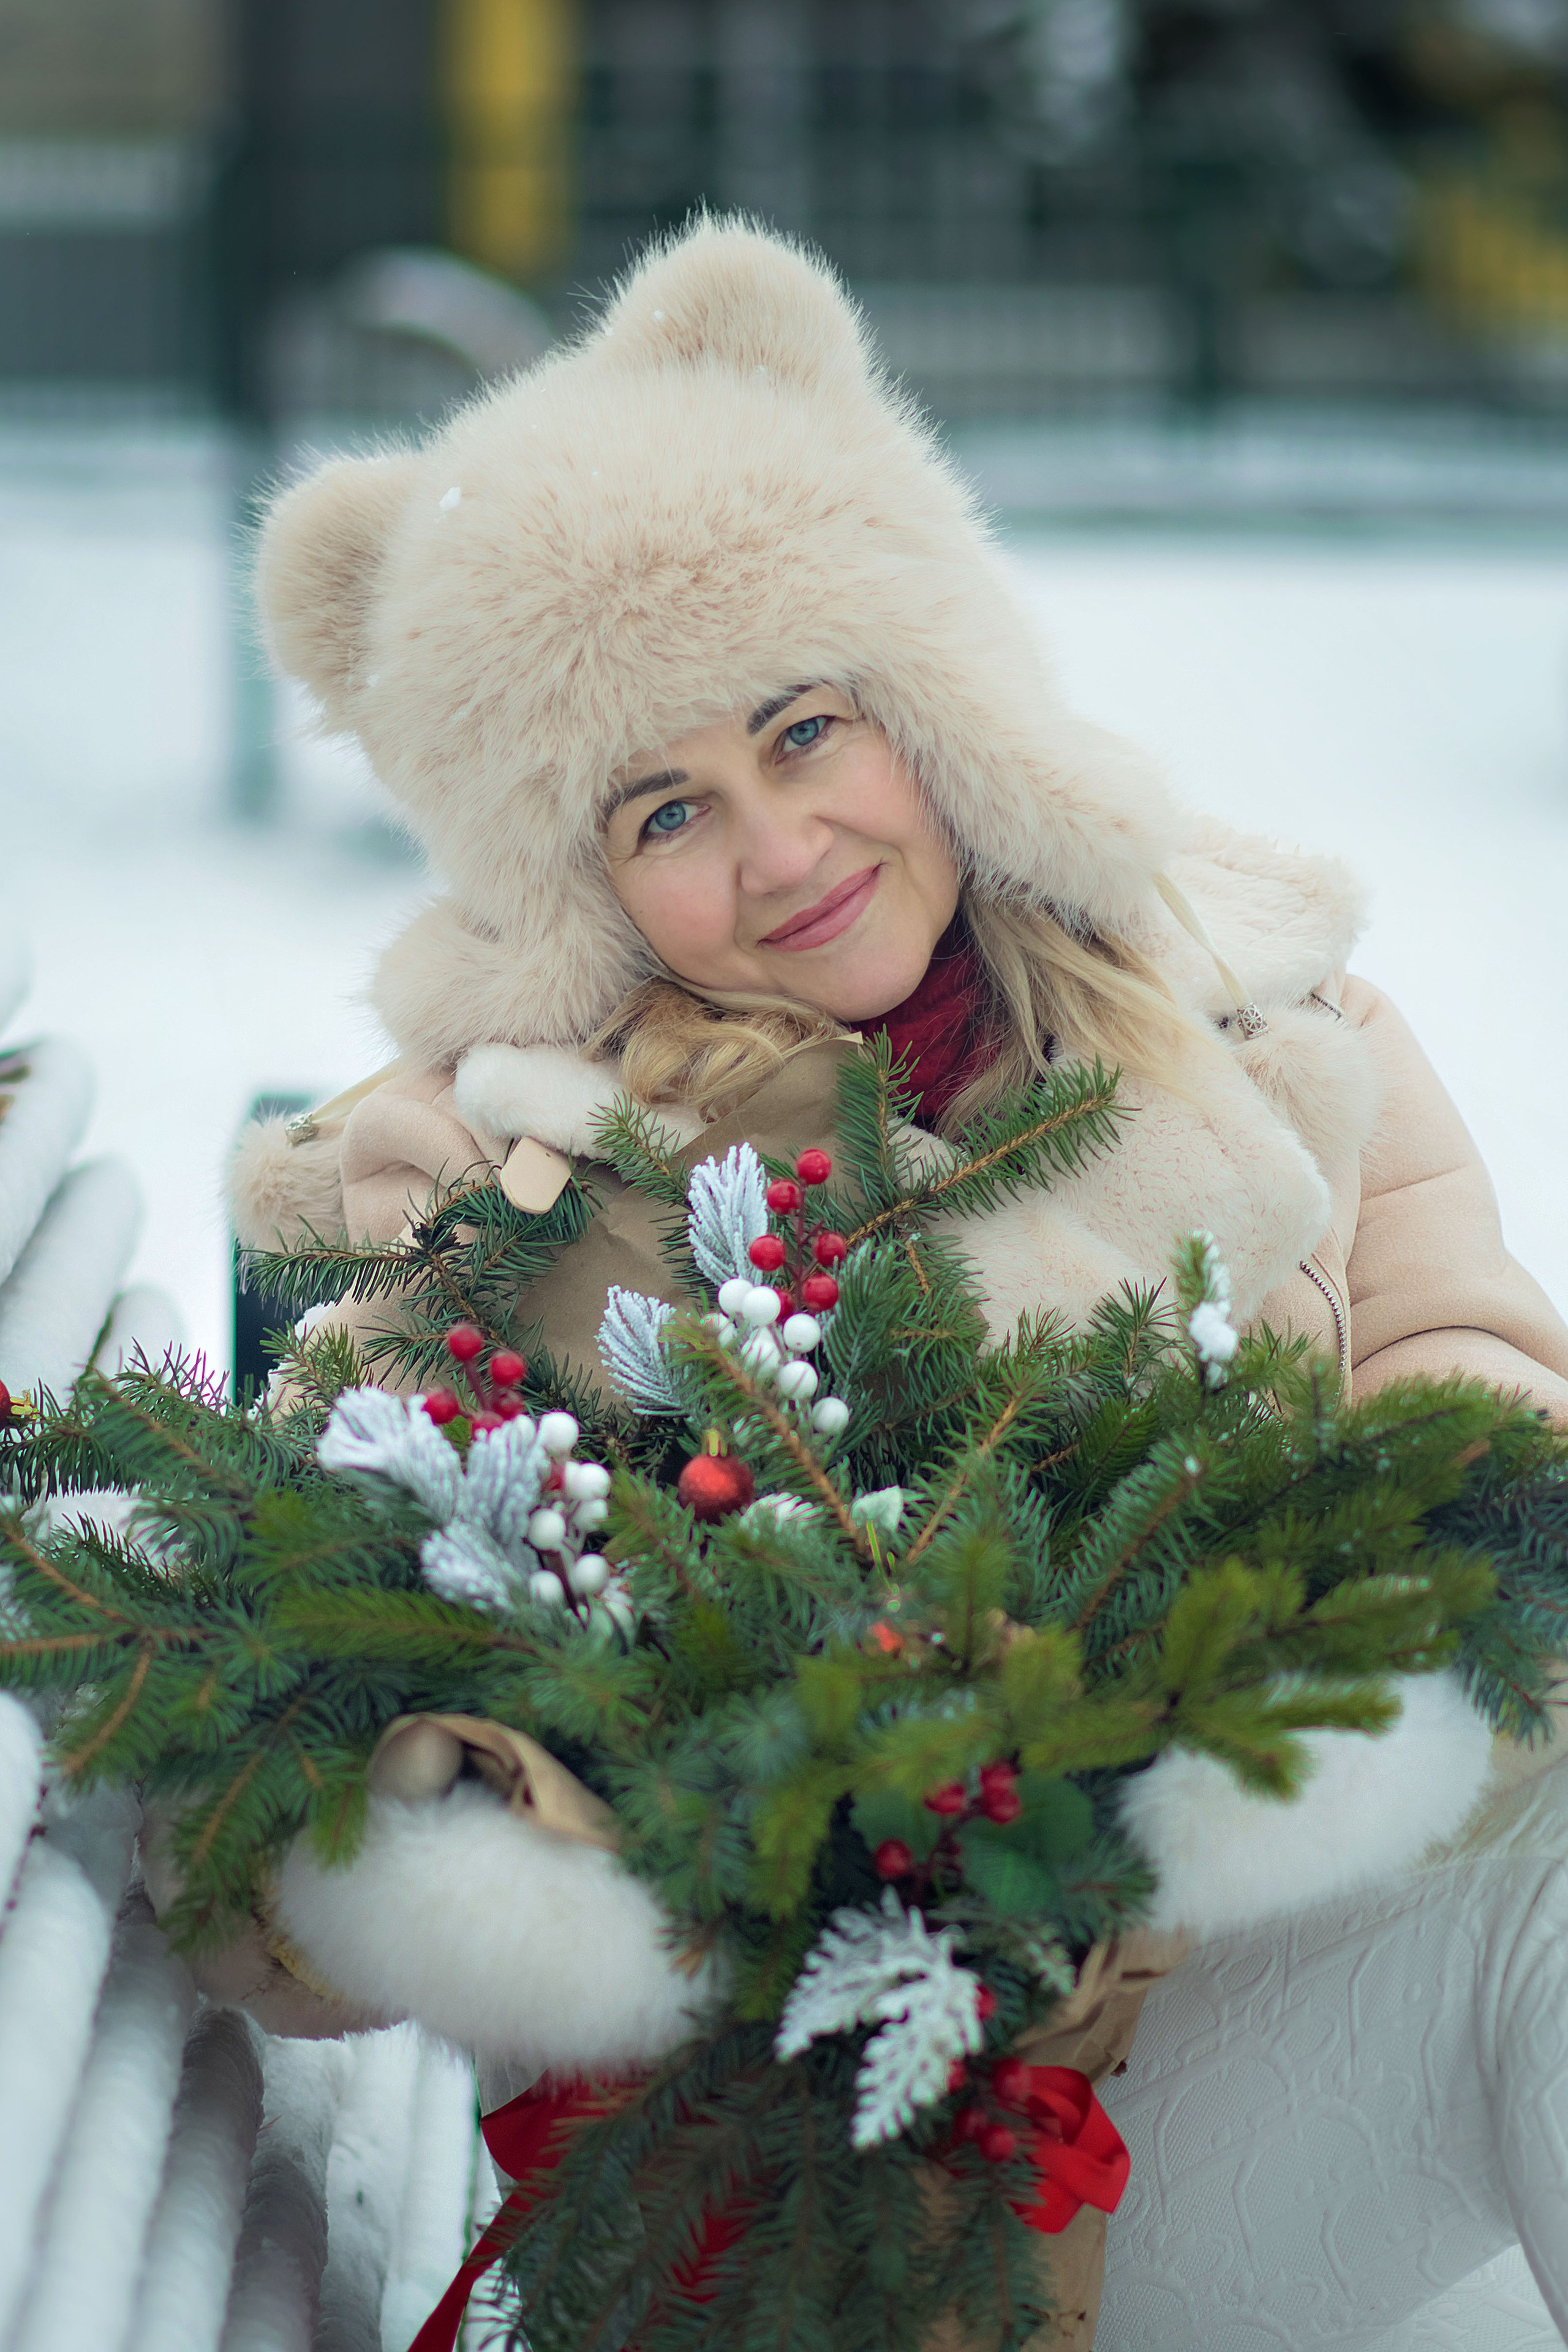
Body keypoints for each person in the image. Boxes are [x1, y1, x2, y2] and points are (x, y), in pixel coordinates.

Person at [214, 218, 1568, 2344]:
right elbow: (276, 1737)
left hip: (1227, 2029)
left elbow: (1460, 1359)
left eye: (807, 725)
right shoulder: (514, 1189)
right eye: (667, 808)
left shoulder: (1253, 1003)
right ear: (580, 887)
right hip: (838, 2203)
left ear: (926, 699)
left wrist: (1388, 1590)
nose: (779, 848)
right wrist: (482, 1842)